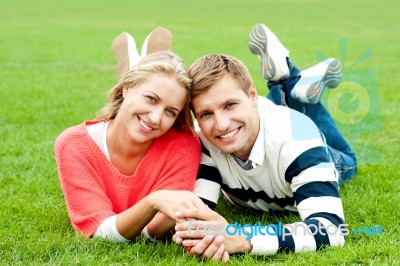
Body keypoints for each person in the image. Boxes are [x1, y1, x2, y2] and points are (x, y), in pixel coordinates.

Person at [172, 23, 357, 259]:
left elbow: (330, 230)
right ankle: (289, 82)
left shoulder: (299, 139)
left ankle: (289, 82)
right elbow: (199, 213)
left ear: (252, 95)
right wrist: (200, 233)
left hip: (302, 139)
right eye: (206, 114)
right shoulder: (203, 139)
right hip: (269, 126)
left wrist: (244, 239)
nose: (220, 124)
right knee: (244, 124)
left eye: (230, 105)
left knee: (347, 160)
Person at [54, 49, 206, 243]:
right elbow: (97, 231)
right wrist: (154, 201)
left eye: (170, 111)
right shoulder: (75, 145)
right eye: (151, 99)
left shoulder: (182, 146)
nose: (155, 118)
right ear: (127, 88)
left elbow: (155, 230)